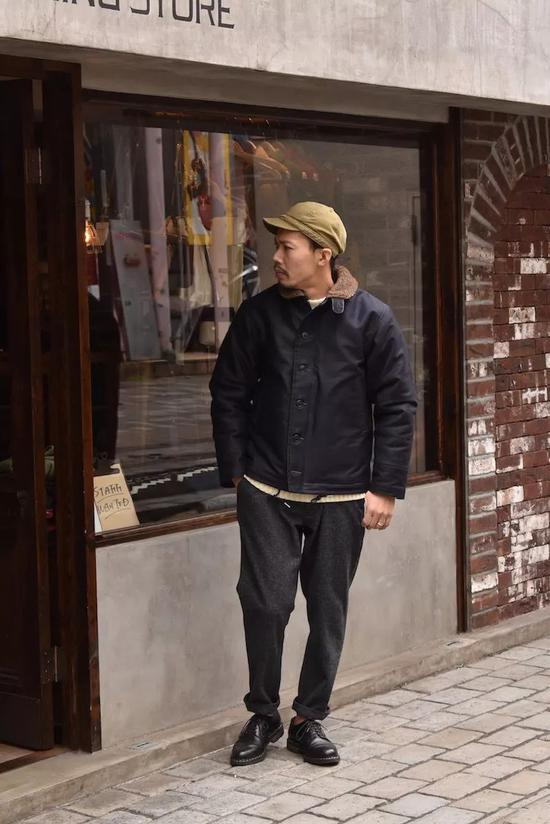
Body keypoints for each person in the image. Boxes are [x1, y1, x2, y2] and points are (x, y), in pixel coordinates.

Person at [209, 201, 417, 767]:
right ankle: (263, 713)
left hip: (343, 495)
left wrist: (385, 487)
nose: (275, 257)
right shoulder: (258, 315)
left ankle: (308, 719)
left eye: (287, 247)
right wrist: (237, 469)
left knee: (328, 609)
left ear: (323, 254)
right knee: (265, 602)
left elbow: (397, 406)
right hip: (266, 489)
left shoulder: (371, 319)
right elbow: (228, 390)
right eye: (276, 246)